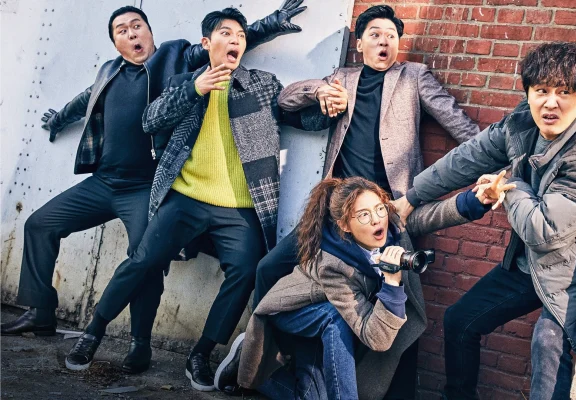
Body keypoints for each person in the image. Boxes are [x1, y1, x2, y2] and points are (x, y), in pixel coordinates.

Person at [0, 2, 306, 375]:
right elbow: (85, 100)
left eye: (137, 26)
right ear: (115, 43)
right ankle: (40, 311)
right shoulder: (109, 72)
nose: (132, 33)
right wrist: (58, 119)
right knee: (39, 224)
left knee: (144, 258)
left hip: (145, 187)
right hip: (104, 181)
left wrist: (271, 24)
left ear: (149, 31)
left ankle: (139, 343)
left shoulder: (174, 58)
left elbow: (226, 41)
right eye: (122, 30)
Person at [255, 6, 481, 396]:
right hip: (337, 213)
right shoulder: (342, 78)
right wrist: (320, 91)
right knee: (268, 268)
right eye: (375, 34)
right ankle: (269, 356)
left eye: (391, 35)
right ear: (359, 44)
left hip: (389, 214)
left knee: (403, 303)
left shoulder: (413, 77)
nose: (384, 41)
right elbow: (286, 100)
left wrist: (495, 155)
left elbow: (455, 120)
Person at [392, 42, 576, 399]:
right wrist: (412, 197)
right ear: (528, 93)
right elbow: (469, 157)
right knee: (460, 321)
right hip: (528, 265)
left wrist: (509, 184)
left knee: (548, 343)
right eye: (541, 91)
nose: (551, 103)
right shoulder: (522, 122)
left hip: (568, 272)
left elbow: (543, 231)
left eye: (564, 93)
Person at [213, 176, 511, 399]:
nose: (376, 219)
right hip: (295, 313)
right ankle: (250, 361)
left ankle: (250, 369)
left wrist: (478, 200)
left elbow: (434, 215)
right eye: (364, 215)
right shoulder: (333, 265)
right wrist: (392, 283)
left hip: (334, 322)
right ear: (345, 225)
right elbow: (373, 336)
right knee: (334, 317)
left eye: (379, 208)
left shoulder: (391, 225)